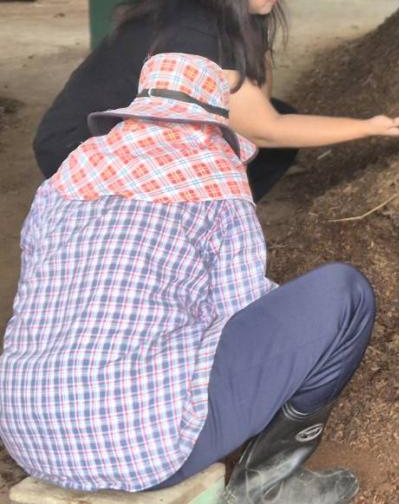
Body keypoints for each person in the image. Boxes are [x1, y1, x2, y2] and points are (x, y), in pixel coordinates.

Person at [0, 53, 373, 503]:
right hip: (140, 450)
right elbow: (241, 310)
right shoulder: (214, 177)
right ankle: (269, 482)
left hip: (28, 435)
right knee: (345, 294)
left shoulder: (66, 179)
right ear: (213, 119)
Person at [34, 0, 399, 200]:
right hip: (78, 148)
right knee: (261, 140)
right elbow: (266, 129)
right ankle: (192, 224)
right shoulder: (195, 34)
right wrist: (369, 127)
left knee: (265, 134)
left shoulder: (222, 6)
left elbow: (257, 96)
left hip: (127, 132)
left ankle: (218, 212)